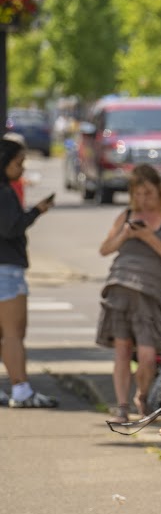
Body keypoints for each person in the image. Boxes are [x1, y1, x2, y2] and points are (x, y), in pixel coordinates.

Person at [97, 165, 161, 423]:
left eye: (148, 193)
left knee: (147, 355)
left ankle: (142, 396)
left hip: (150, 291)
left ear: (159, 191)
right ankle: (122, 406)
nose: (143, 200)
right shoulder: (126, 215)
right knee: (122, 349)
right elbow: (104, 249)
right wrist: (125, 234)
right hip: (120, 286)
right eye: (138, 194)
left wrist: (148, 237)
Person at [0, 133, 56, 408]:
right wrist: (36, 211)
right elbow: (10, 227)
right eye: (18, 163)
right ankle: (21, 390)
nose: (21, 169)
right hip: (6, 268)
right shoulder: (4, 191)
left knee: (4, 333)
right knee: (14, 332)